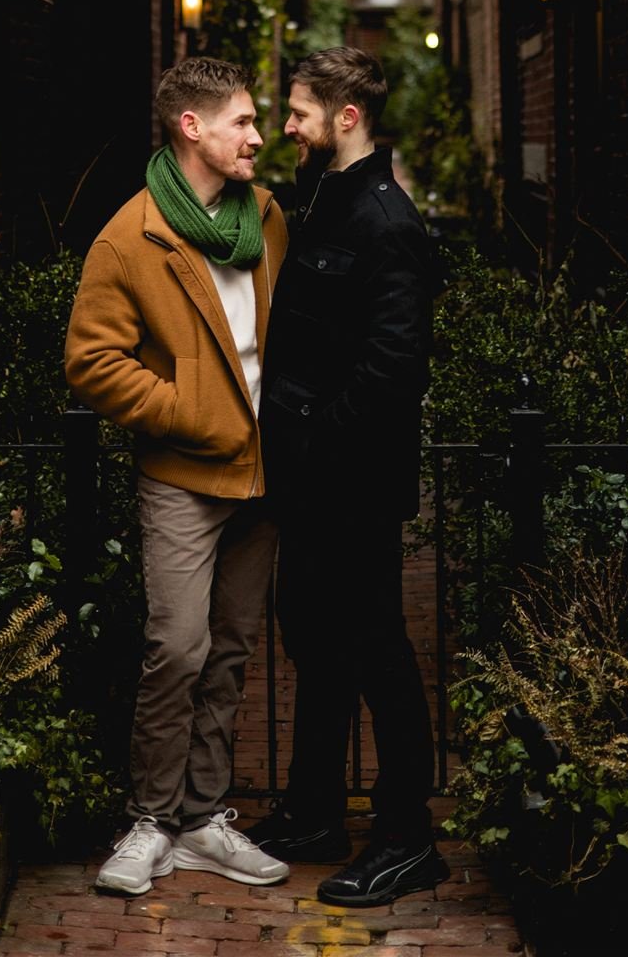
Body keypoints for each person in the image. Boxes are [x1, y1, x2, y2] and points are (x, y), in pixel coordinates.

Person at [64, 57, 291, 898]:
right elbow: (91, 363)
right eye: (242, 121)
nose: (259, 137)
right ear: (191, 127)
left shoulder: (265, 218)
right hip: (182, 477)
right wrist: (191, 412)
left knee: (230, 652)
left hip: (263, 474)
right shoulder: (132, 236)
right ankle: (150, 820)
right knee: (177, 648)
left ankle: (202, 821)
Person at [249, 46, 446, 908]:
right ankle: (315, 812)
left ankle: (407, 836)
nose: (286, 125)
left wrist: (314, 440)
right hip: (305, 479)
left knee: (376, 649)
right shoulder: (319, 202)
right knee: (312, 641)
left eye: (297, 112)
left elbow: (390, 371)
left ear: (347, 117)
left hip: (353, 483)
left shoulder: (386, 222)